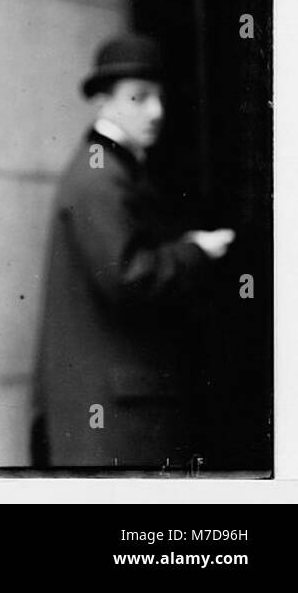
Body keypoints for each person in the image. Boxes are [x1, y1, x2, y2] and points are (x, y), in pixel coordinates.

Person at [31, 33, 234, 468]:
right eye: (139, 98)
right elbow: (128, 278)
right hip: (117, 421)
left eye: (159, 98)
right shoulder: (99, 176)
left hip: (120, 415)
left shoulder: (110, 170)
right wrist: (196, 251)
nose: (157, 112)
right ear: (102, 103)